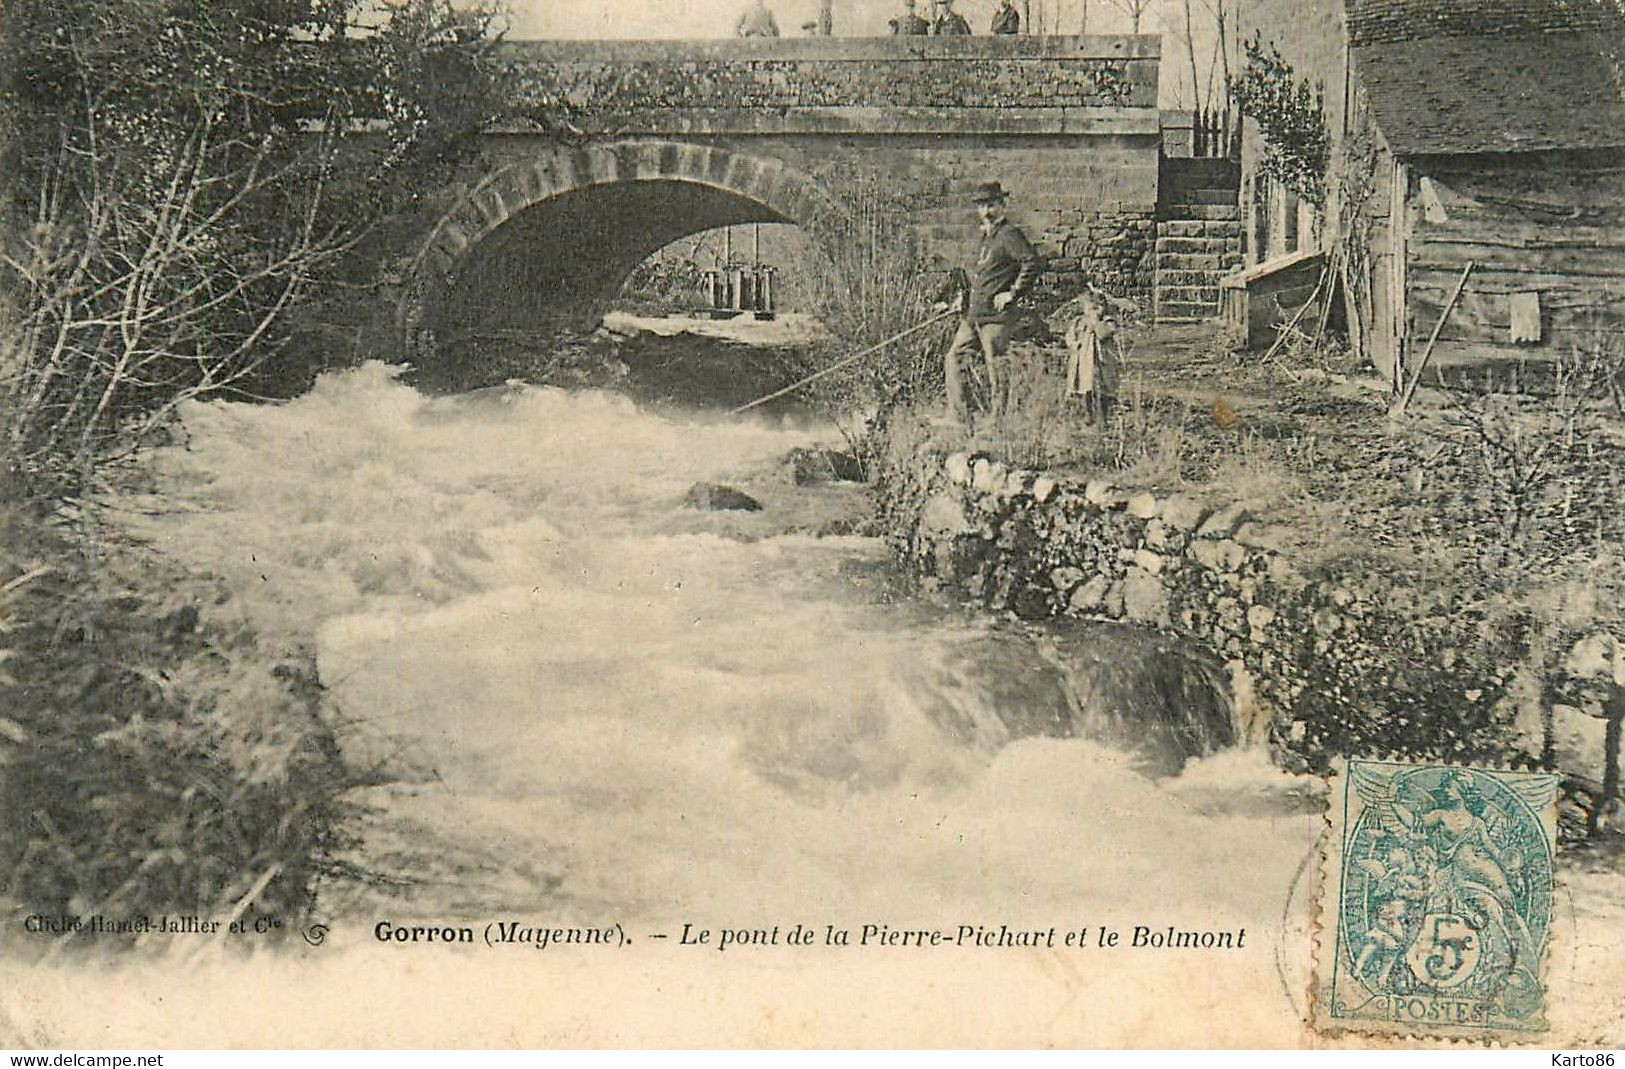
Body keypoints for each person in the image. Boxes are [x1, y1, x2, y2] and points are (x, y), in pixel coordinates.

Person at [939, 181, 1043, 426]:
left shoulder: (1009, 235)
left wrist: (1013, 293)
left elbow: (1032, 263)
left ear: (1003, 206)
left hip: (996, 320)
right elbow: (979, 276)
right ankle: (960, 416)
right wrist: (962, 298)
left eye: (992, 205)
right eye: (982, 206)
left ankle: (1000, 421)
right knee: (954, 359)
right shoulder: (984, 238)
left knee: (997, 367)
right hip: (973, 316)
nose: (987, 211)